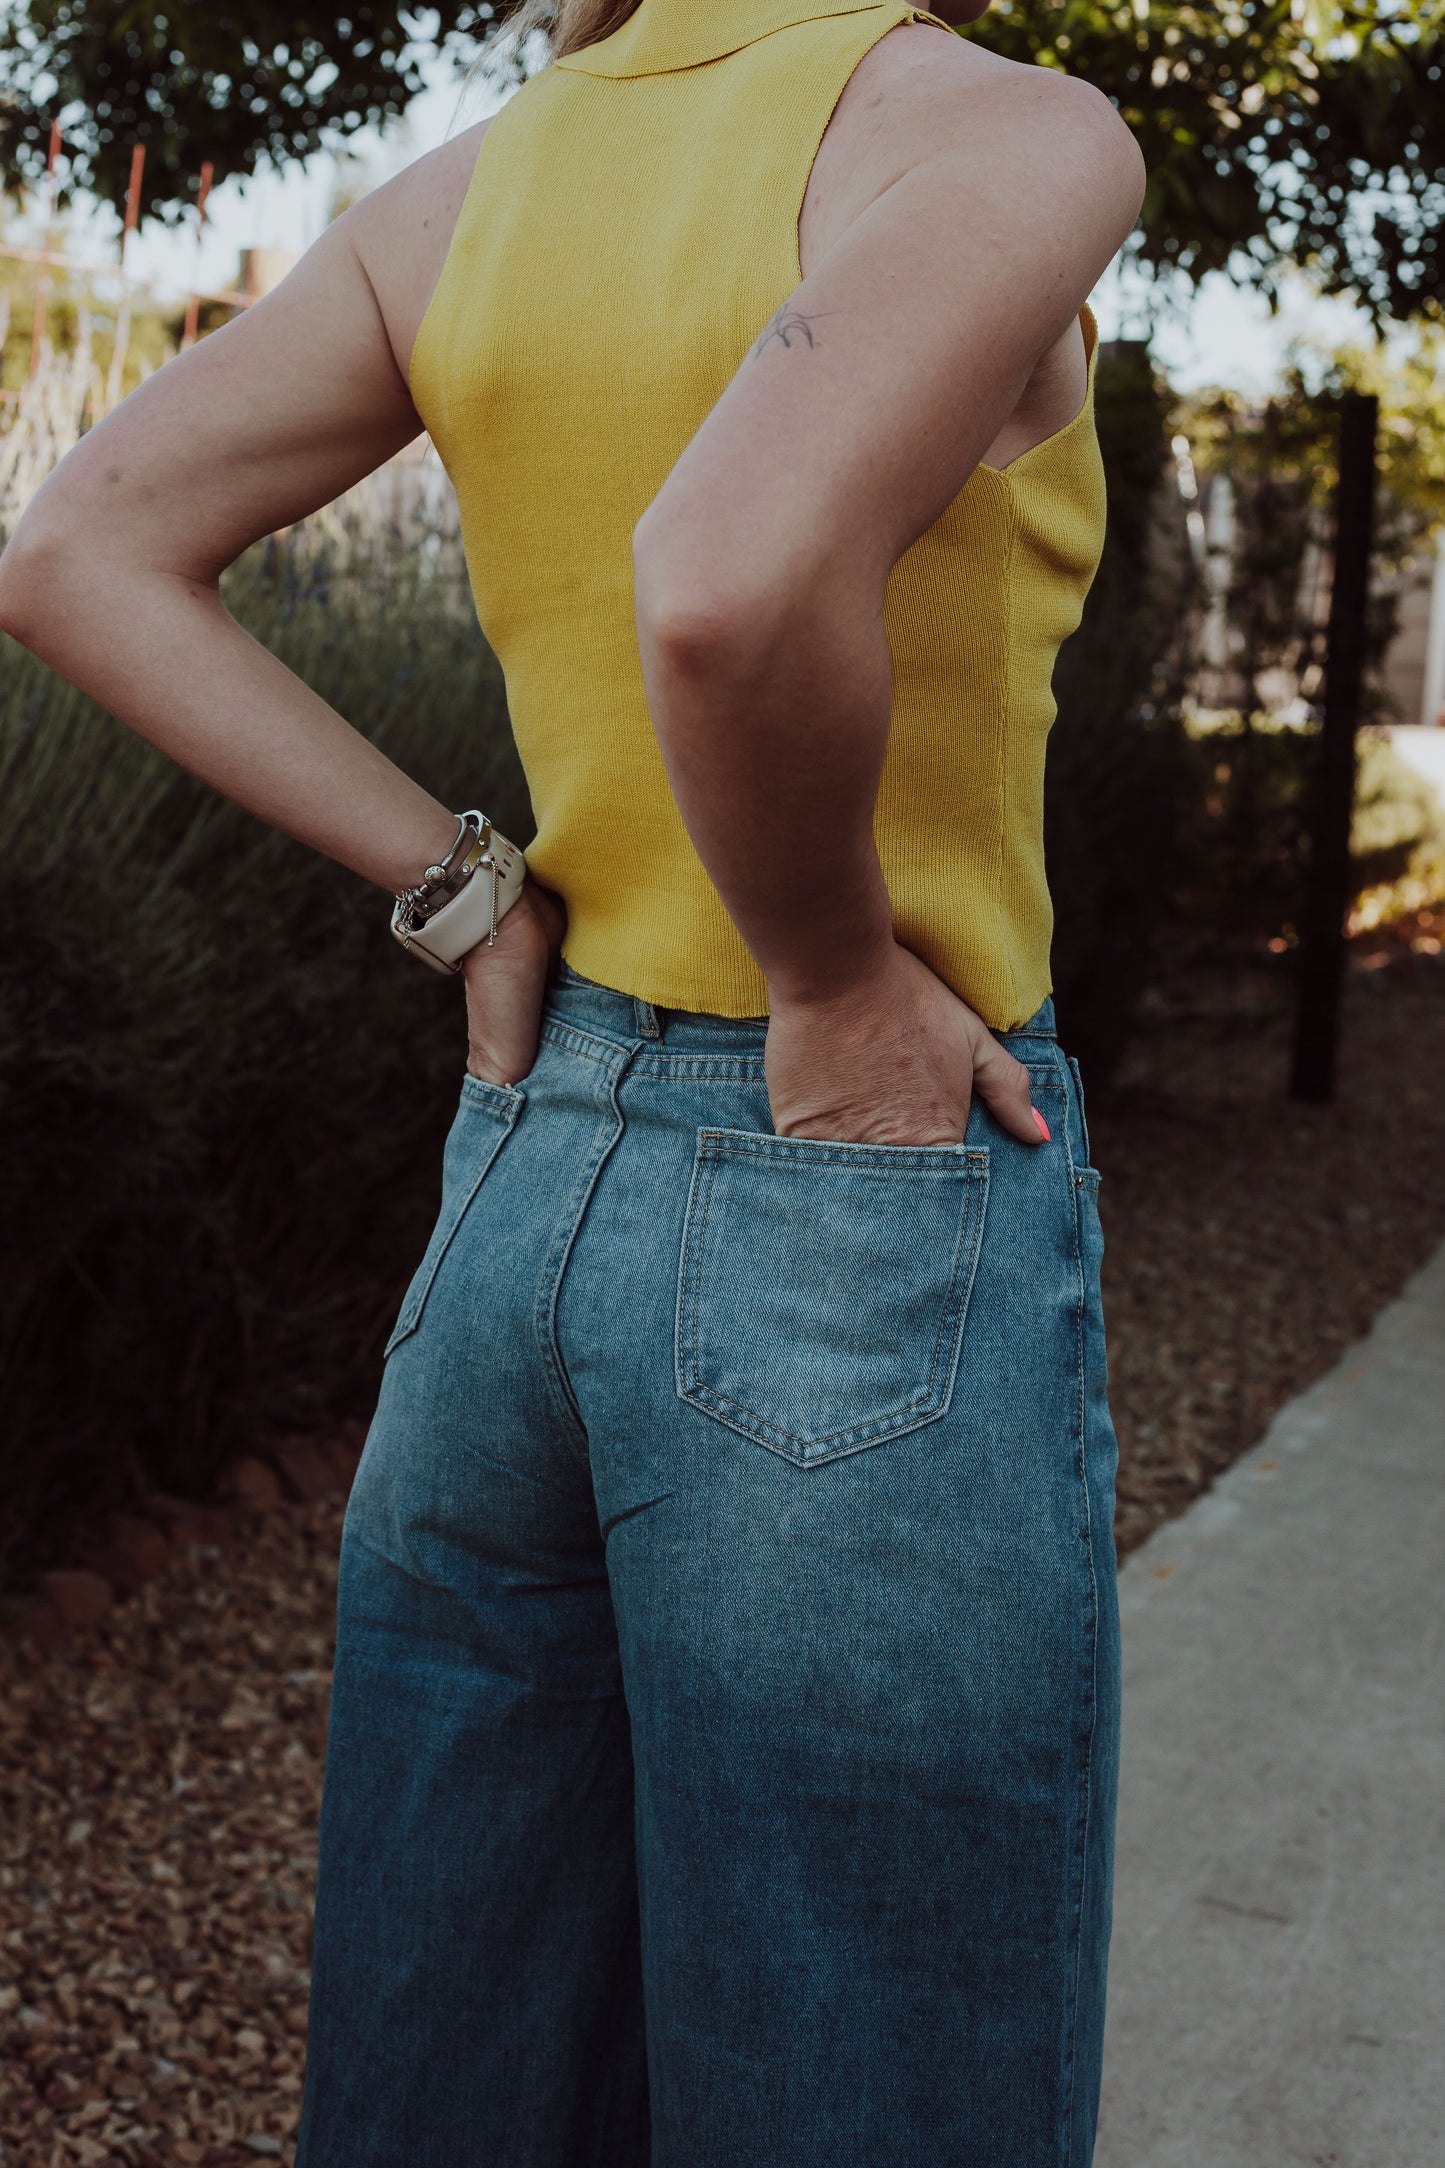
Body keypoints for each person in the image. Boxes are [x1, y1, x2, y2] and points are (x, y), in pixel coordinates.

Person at [0, 0, 1145, 2157]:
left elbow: (78, 551)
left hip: (526, 1183)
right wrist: (831, 975)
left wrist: (469, 897)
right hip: (849, 1211)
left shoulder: (469, 190)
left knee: (461, 2088)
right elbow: (722, 583)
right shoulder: (1001, 135)